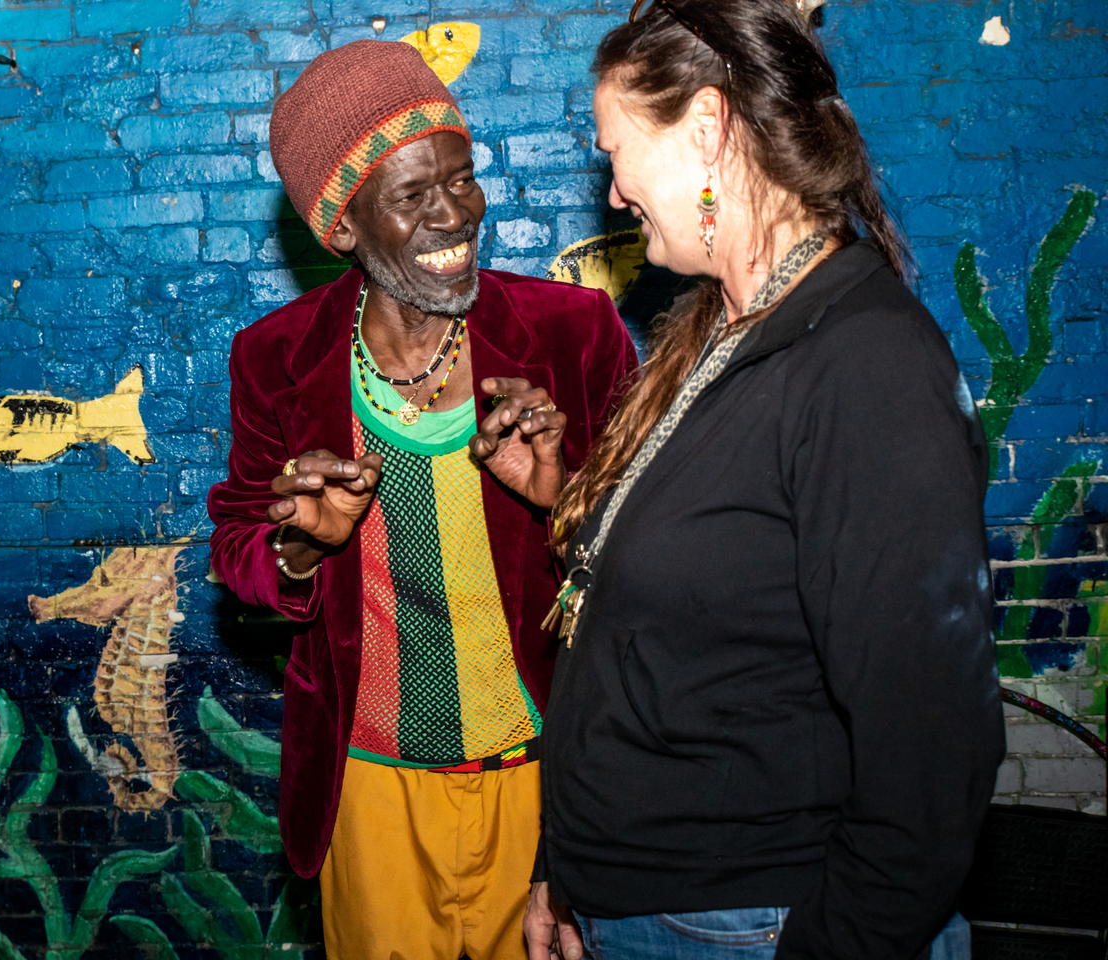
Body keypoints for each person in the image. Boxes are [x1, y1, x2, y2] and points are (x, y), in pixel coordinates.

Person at [520, 1, 1006, 959]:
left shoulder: (866, 366)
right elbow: (655, 618)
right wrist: (571, 869)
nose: (614, 192)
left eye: (617, 150)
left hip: (749, 923)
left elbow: (930, 753)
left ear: (706, 129)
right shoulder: (720, 330)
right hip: (653, 903)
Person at [206, 39, 636, 960]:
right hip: (370, 791)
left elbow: (651, 553)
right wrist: (300, 550)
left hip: (545, 781)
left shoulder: (573, 333)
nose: (456, 215)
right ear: (345, 226)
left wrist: (563, 496)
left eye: (463, 178)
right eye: (412, 196)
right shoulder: (278, 361)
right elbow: (236, 548)